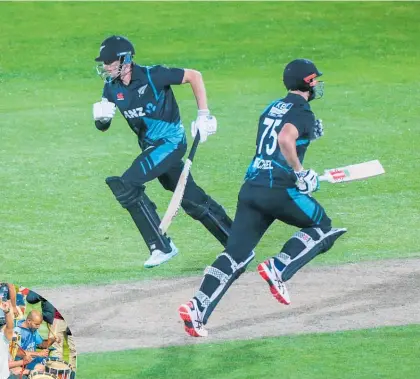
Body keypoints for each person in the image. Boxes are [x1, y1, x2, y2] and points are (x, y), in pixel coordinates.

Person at [178, 59, 347, 337]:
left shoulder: (272, 107)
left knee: (236, 255)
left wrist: (308, 135)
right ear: (306, 83)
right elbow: (284, 139)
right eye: (314, 79)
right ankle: (278, 267)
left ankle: (197, 307)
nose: (317, 84)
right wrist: (302, 174)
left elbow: (273, 139)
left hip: (251, 187)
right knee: (322, 227)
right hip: (278, 189)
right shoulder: (303, 111)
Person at [93, 35, 233, 268]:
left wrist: (203, 114)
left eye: (109, 61)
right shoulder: (111, 88)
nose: (106, 66)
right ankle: (236, 242)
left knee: (127, 183)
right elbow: (103, 125)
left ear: (125, 60)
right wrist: (101, 120)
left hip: (170, 143)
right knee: (191, 198)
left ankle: (161, 246)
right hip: (152, 149)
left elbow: (193, 76)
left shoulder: (153, 75)